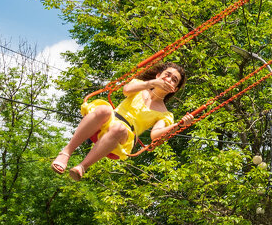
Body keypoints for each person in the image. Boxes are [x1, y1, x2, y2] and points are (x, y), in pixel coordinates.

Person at [51, 62, 194, 181]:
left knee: (119, 128)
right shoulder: (140, 85)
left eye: (173, 80)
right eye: (166, 75)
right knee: (104, 110)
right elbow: (126, 90)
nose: (168, 79)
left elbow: (155, 136)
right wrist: (150, 83)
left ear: (173, 89)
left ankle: (82, 166)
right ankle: (66, 153)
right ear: (158, 76)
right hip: (108, 120)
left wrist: (177, 126)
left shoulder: (165, 114)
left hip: (123, 135)